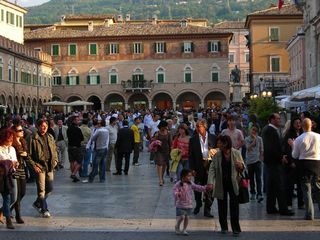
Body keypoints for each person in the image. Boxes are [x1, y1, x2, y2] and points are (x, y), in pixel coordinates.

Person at [207, 135, 245, 236]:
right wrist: (210, 182)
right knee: (222, 206)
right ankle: (224, 227)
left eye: (220, 143)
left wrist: (240, 166)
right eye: (218, 143)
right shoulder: (216, 155)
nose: (218, 145)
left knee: (234, 206)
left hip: (233, 183)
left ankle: (235, 228)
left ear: (225, 143)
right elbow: (212, 169)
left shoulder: (236, 153)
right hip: (221, 183)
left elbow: (243, 166)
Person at [261, 113, 294, 216]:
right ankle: (283, 209)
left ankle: (270, 207)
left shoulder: (268, 129)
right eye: (278, 118)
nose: (280, 120)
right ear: (272, 120)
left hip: (271, 162)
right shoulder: (270, 131)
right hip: (274, 163)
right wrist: (281, 157)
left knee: (271, 186)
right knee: (279, 186)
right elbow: (272, 148)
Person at [290, 118, 320, 220]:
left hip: (304, 164)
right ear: (311, 125)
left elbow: (295, 155)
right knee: (318, 188)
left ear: (302, 126)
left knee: (306, 190)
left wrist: (292, 145)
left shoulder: (299, 139)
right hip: (317, 164)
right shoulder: (318, 137)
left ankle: (309, 214)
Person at [29, 119, 59, 218]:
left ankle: (38, 203)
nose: (44, 128)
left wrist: (55, 160)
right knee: (41, 190)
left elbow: (54, 150)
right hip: (40, 166)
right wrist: (34, 165)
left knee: (50, 189)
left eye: (45, 126)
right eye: (42, 126)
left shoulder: (50, 136)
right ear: (38, 126)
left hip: (50, 166)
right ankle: (44, 209)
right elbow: (28, 155)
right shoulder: (33, 138)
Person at [189, 119, 216, 218]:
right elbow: (191, 155)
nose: (197, 128)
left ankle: (207, 209)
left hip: (210, 167)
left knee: (210, 189)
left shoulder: (213, 138)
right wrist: (192, 168)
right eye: (196, 126)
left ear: (205, 127)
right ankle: (198, 203)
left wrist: (208, 159)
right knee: (197, 188)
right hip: (198, 167)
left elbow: (215, 151)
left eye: (199, 126)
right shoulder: (193, 139)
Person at [173, 169, 207, 236]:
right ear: (183, 176)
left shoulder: (190, 183)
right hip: (180, 204)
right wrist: (177, 194)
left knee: (187, 217)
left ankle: (184, 230)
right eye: (188, 176)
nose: (190, 177)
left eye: (190, 176)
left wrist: (204, 188)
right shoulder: (178, 184)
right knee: (182, 217)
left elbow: (197, 187)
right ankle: (177, 226)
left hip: (189, 204)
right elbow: (174, 191)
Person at [10, 124, 32, 224]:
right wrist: (20, 154)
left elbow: (27, 153)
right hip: (14, 169)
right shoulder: (12, 143)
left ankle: (5, 210)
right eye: (19, 130)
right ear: (14, 132)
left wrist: (26, 154)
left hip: (22, 168)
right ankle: (18, 215)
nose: (22, 132)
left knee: (22, 192)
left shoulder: (22, 141)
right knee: (17, 194)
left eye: (22, 130)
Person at [283, 117, 304, 210]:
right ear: (293, 124)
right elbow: (287, 150)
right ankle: (289, 203)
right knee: (290, 185)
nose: (298, 124)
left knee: (300, 184)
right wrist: (291, 162)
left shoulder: (303, 134)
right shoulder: (289, 135)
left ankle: (301, 203)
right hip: (291, 164)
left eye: (300, 122)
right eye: (296, 123)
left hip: (301, 163)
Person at [0, 128, 18, 229]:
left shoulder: (12, 149)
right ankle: (8, 220)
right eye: (9, 139)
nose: (11, 141)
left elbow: (14, 162)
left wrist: (13, 163)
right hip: (1, 176)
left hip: (10, 176)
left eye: (12, 139)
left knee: (12, 198)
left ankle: (2, 213)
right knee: (6, 198)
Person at [245, 126, 264, 202]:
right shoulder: (247, 139)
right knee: (251, 178)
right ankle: (252, 192)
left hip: (258, 161)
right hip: (249, 161)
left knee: (258, 178)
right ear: (250, 131)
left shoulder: (260, 139)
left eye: (255, 130)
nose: (254, 132)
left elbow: (262, 149)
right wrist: (254, 140)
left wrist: (261, 158)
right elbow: (248, 148)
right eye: (253, 130)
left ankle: (259, 194)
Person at [153, 120, 171, 186]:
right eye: (164, 126)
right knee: (159, 164)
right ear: (161, 126)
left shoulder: (168, 133)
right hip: (158, 151)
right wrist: (155, 137)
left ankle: (162, 177)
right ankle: (160, 180)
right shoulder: (157, 133)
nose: (165, 128)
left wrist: (171, 151)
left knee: (164, 165)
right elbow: (153, 142)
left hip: (166, 151)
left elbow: (170, 143)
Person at [67, 116, 84, 182]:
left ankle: (74, 176)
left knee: (72, 161)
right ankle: (73, 174)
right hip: (77, 147)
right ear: (73, 121)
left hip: (70, 147)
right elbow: (82, 138)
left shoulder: (68, 129)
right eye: (77, 120)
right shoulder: (78, 129)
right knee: (79, 162)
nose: (78, 121)